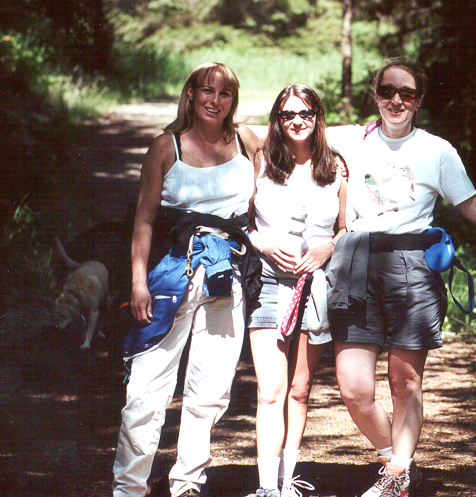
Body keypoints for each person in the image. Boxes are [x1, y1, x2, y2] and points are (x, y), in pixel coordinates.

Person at [325, 59, 476, 497]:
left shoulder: (437, 150)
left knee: (404, 380)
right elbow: (285, 132)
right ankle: (395, 457)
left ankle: (396, 476)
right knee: (354, 386)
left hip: (412, 266)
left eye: (407, 93)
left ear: (419, 101)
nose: (396, 100)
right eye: (388, 90)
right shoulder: (349, 139)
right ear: (375, 94)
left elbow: (474, 208)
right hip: (355, 261)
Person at [113, 62, 262, 497]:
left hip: (226, 274)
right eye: (207, 91)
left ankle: (187, 482)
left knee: (211, 388)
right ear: (191, 95)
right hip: (170, 273)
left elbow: (302, 127)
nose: (215, 101)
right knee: (146, 387)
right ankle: (129, 487)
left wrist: (374, 128)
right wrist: (138, 282)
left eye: (226, 94)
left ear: (233, 101)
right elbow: (143, 220)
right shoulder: (166, 146)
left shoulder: (246, 140)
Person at [245, 84, 347, 497]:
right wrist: (261, 242)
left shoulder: (337, 166)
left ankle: (288, 483)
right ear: (277, 120)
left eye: (305, 112)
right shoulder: (262, 160)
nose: (297, 121)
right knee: (270, 390)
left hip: (316, 284)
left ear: (318, 116)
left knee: (300, 389)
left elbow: (345, 228)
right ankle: (267, 487)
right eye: (288, 114)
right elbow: (241, 221)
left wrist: (328, 247)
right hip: (269, 281)